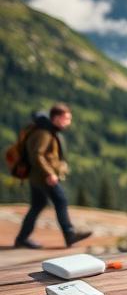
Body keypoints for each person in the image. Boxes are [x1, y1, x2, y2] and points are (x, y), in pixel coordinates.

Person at [14, 103, 91, 249]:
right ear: (56, 118)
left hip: (37, 176)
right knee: (61, 200)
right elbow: (37, 155)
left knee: (37, 205)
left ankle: (21, 239)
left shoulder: (49, 130)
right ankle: (70, 235)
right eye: (66, 119)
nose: (68, 122)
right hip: (43, 177)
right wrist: (50, 173)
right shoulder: (44, 133)